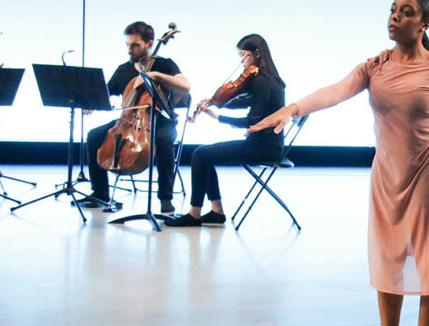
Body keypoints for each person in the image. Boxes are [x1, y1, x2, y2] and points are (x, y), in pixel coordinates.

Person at [251, 0, 429, 326]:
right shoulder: (375, 66)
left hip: (427, 177)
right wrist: (290, 109)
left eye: (406, 13)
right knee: (387, 258)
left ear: (424, 24)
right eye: (392, 10)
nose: (395, 17)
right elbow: (333, 92)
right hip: (385, 176)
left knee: (426, 265)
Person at [164, 34, 285, 227]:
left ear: (257, 54)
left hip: (263, 147)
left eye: (244, 56)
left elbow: (252, 121)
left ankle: (194, 214)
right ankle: (216, 212)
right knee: (204, 154)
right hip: (267, 144)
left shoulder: (263, 82)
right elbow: (246, 101)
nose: (242, 62)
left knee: (200, 155)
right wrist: (217, 102)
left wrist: (217, 117)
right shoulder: (269, 80)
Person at [80, 21, 191, 214]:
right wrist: (91, 103)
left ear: (149, 44)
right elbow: (106, 94)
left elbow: (185, 85)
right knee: (94, 136)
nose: (130, 50)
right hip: (128, 120)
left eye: (135, 45)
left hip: (162, 121)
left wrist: (155, 75)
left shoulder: (164, 64)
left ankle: (165, 198)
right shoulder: (124, 70)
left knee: (164, 140)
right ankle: (100, 193)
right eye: (128, 45)